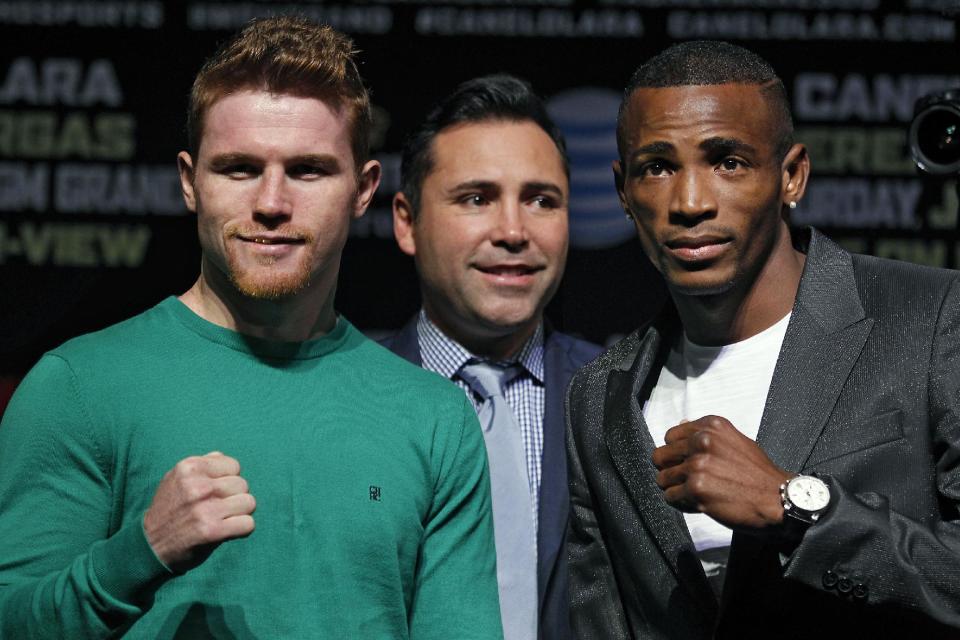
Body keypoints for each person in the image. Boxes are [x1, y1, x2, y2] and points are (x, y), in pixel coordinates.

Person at [0, 17, 502, 639]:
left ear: (364, 189)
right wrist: (139, 553)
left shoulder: (434, 417)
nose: (271, 202)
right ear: (190, 183)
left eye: (308, 170)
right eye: (238, 168)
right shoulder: (77, 387)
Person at [566, 40, 960, 639]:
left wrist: (796, 505)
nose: (690, 202)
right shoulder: (599, 398)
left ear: (792, 175)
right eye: (658, 167)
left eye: (727, 161)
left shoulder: (928, 319)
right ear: (623, 191)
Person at [383, 74, 601, 640]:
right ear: (406, 222)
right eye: (477, 199)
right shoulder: (340, 395)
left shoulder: (624, 395)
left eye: (541, 200)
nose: (513, 230)